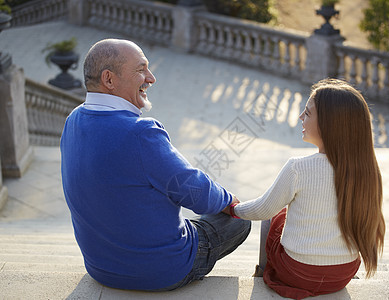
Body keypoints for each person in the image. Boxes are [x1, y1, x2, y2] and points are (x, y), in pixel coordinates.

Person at [60, 38, 251, 291]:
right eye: (141, 69)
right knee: (239, 218)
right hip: (162, 271)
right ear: (109, 79)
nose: (151, 78)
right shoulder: (140, 133)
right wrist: (229, 200)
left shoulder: (73, 120)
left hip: (101, 268)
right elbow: (197, 193)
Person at [223, 78, 385, 299]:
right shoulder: (368, 171)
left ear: (330, 124)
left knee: (275, 216)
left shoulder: (298, 168)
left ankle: (262, 270)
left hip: (297, 272)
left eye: (307, 113)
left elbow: (262, 210)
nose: (300, 117)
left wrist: (233, 209)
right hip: (343, 274)